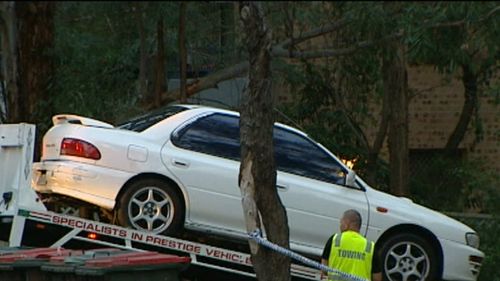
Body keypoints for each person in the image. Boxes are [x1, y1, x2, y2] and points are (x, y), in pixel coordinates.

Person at [321, 209, 382, 281]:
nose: (340, 225)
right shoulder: (369, 246)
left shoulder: (335, 240)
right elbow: (377, 278)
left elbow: (324, 269)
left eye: (341, 222)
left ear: (346, 224)